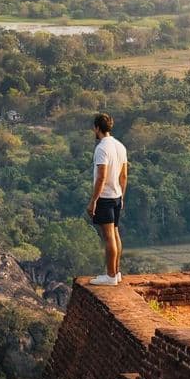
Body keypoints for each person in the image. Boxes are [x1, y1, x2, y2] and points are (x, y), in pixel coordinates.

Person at [87, 112, 128, 286]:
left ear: (97, 128)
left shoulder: (102, 148)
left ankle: (111, 275)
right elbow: (124, 175)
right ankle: (116, 272)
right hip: (117, 195)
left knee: (109, 236)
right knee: (116, 233)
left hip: (105, 197)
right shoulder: (120, 146)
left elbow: (101, 176)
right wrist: (122, 196)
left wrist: (93, 200)